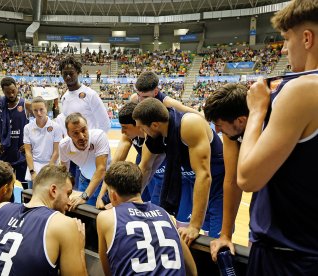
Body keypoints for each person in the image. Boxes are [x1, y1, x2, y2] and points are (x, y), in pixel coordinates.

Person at [237, 1, 318, 274]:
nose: (284, 49)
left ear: (307, 38)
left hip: (289, 256)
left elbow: (248, 177)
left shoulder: (302, 89)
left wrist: (257, 111)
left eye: (286, 39)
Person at [133, 98, 224, 245]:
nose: (142, 133)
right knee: (179, 229)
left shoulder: (189, 124)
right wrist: (128, 203)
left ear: (155, 125)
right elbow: (145, 168)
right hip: (190, 180)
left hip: (217, 183)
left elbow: (204, 175)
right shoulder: (156, 135)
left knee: (215, 238)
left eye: (143, 128)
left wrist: (194, 226)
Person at [0, 165, 87, 276]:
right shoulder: (64, 224)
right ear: (53, 190)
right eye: (68, 194)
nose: (69, 202)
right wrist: (80, 250)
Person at [97, 161, 197, 276]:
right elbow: (192, 270)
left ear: (113, 195)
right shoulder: (166, 215)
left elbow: (108, 270)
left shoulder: (106, 218)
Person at [202, 83, 249, 261]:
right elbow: (231, 180)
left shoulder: (272, 125)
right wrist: (225, 235)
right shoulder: (232, 132)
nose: (217, 130)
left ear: (240, 121)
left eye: (219, 125)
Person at [96, 102, 166, 209]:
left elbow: (146, 169)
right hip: (146, 168)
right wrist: (101, 196)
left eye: (125, 127)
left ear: (138, 125)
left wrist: (124, 202)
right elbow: (115, 163)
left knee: (154, 207)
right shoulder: (128, 135)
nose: (122, 131)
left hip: (161, 170)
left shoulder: (150, 138)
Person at [0, 77, 32, 183]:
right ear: (3, 92)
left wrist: (30, 142)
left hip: (21, 152)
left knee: (25, 187)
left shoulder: (26, 105)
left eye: (13, 91)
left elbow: (40, 123)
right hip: (4, 152)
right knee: (5, 187)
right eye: (8, 93)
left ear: (17, 88)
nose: (11, 95)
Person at [59, 113, 111, 209]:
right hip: (85, 181)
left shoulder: (99, 136)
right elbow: (63, 172)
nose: (82, 136)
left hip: (107, 183)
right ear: (69, 134)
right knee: (86, 215)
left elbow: (101, 169)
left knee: (104, 216)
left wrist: (84, 196)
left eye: (84, 130)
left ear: (88, 127)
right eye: (75, 133)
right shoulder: (64, 146)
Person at [59, 56, 110, 133]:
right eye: (65, 74)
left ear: (78, 72)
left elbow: (105, 123)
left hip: (90, 143)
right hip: (73, 143)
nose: (68, 76)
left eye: (71, 73)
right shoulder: (64, 98)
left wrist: (94, 141)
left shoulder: (90, 94)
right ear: (61, 74)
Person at [23, 97, 62, 188]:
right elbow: (28, 152)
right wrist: (32, 172)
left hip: (51, 166)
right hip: (34, 166)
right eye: (35, 110)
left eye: (41, 109)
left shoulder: (56, 127)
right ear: (32, 111)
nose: (39, 113)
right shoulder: (27, 128)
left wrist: (48, 170)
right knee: (32, 197)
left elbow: (56, 151)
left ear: (46, 108)